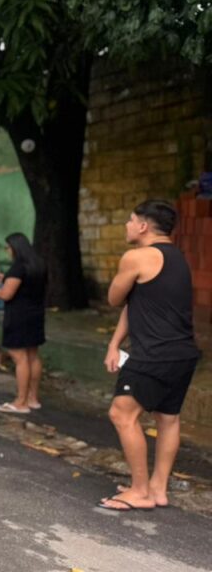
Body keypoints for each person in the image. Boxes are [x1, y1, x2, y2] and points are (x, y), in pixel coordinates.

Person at [100, 200, 201, 512]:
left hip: (155, 354)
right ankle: (157, 489)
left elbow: (116, 298)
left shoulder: (137, 257)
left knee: (121, 413)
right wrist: (114, 344)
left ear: (143, 226)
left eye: (131, 220)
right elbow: (137, 305)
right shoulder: (178, 260)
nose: (128, 226)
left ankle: (140, 491)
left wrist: (123, 277)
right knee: (167, 419)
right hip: (182, 353)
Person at [0, 233, 47, 414]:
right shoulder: (39, 265)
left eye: (7, 247)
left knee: (19, 358)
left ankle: (20, 401)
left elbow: (6, 294)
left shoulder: (18, 268)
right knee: (33, 356)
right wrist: (3, 280)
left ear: (14, 248)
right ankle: (33, 398)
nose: (6, 251)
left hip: (18, 317)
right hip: (36, 314)